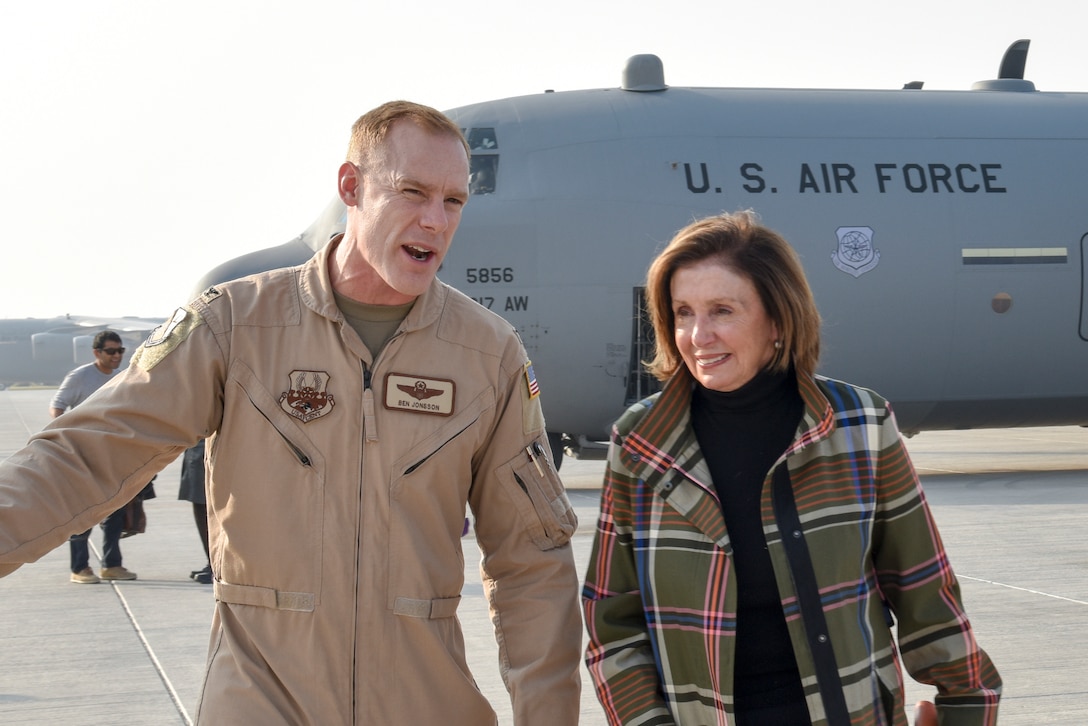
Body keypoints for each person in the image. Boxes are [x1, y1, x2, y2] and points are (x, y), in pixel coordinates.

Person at [0, 101, 582, 724]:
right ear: (351, 187)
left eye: (454, 201)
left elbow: (531, 563)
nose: (435, 220)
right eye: (412, 192)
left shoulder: (486, 354)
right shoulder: (234, 325)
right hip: (263, 703)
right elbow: (88, 454)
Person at [581, 211, 1001, 725]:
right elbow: (612, 627)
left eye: (722, 311)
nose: (697, 335)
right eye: (682, 312)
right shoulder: (641, 443)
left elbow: (927, 596)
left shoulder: (860, 426)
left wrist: (967, 710)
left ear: (778, 320)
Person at [49, 330, 137, 584]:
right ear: (96, 353)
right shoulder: (81, 376)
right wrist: (66, 436)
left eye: (120, 351)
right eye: (111, 351)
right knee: (83, 512)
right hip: (83, 453)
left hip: (113, 453)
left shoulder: (123, 377)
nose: (116, 356)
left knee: (115, 511)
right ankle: (80, 568)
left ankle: (112, 565)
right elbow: (58, 405)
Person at [178, 440, 212, 584]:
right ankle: (212, 562)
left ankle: (216, 566)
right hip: (196, 445)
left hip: (208, 445)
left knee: (208, 509)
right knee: (199, 504)